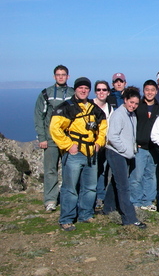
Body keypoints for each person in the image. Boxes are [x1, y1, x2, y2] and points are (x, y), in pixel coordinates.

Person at [49, 77, 107, 231]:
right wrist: (68, 145)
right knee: (70, 188)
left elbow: (103, 125)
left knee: (90, 187)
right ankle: (66, 219)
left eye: (86, 88)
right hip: (74, 153)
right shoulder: (67, 107)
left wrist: (99, 142)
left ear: (89, 90)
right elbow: (55, 128)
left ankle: (86, 215)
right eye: (80, 88)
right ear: (75, 89)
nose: (83, 90)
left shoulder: (94, 109)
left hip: (91, 153)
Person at [104, 86, 147, 229]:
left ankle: (108, 209)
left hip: (124, 154)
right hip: (116, 153)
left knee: (115, 182)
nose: (133, 105)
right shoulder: (119, 114)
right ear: (125, 100)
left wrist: (131, 149)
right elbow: (112, 136)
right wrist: (125, 150)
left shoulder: (132, 115)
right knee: (124, 186)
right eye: (131, 102)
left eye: (136, 103)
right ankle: (129, 218)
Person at [34, 64, 74, 212]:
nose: (61, 77)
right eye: (58, 74)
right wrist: (42, 137)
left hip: (68, 139)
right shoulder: (46, 93)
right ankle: (50, 200)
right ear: (54, 76)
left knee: (68, 169)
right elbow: (39, 115)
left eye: (63, 74)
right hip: (50, 138)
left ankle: (66, 198)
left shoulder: (72, 93)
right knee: (51, 169)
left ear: (68, 76)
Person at [130, 80, 159, 211]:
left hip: (154, 148)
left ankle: (148, 200)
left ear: (156, 92)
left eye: (152, 90)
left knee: (151, 175)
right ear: (143, 91)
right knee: (136, 176)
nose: (150, 93)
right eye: (147, 90)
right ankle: (135, 202)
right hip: (139, 147)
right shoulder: (138, 107)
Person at [93, 80, 114, 210]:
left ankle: (100, 197)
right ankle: (89, 197)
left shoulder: (110, 109)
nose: (101, 92)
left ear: (108, 92)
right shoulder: (89, 105)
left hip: (105, 145)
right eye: (99, 90)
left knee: (102, 172)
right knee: (89, 172)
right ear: (95, 91)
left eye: (104, 90)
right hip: (90, 146)